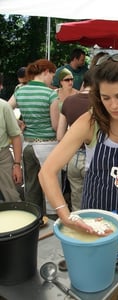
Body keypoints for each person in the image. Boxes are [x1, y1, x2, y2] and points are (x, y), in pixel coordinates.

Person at [39, 53, 118, 300]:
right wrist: (66, 216)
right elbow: (47, 172)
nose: (113, 105)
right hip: (93, 214)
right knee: (95, 279)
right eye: (105, 98)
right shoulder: (91, 122)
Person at [9, 58, 59, 216]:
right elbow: (56, 126)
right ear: (45, 72)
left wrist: (17, 122)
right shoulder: (51, 94)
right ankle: (51, 217)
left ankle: (33, 217)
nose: (53, 78)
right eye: (52, 74)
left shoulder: (20, 90)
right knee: (51, 183)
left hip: (28, 145)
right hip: (48, 145)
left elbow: (6, 108)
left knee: (31, 185)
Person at [57, 70, 93, 211]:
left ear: (84, 83)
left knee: (77, 201)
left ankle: (77, 229)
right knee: (94, 200)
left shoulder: (68, 101)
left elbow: (60, 135)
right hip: (94, 157)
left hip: (73, 157)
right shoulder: (102, 102)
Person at [0, 73, 23, 202]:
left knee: (12, 197)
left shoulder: (4, 106)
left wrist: (17, 165)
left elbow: (15, 136)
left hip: (2, 157)